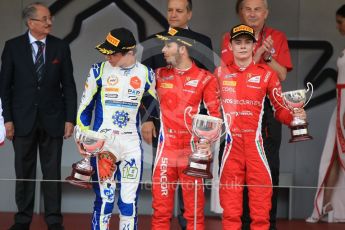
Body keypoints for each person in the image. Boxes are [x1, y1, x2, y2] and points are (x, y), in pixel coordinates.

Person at [216, 24, 306, 230]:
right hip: (231, 149)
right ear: (230, 45)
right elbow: (210, 111)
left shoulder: (267, 74)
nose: (242, 47)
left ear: (254, 45)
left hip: (257, 149)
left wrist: (295, 116)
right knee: (230, 214)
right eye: (237, 42)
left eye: (247, 42)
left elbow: (280, 110)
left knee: (260, 213)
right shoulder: (219, 74)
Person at [0, 2, 77, 230]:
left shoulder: (60, 47)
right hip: (22, 121)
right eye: (44, 19)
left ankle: (54, 220)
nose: (49, 22)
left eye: (50, 18)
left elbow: (69, 86)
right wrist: (8, 120)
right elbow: (4, 87)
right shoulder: (12, 47)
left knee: (52, 173)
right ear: (30, 22)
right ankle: (22, 220)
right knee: (24, 173)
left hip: (54, 121)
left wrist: (69, 119)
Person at [140, 0, 216, 228]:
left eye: (179, 10)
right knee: (163, 184)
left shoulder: (203, 42)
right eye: (170, 10)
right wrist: (148, 120)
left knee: (192, 187)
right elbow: (146, 86)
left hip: (195, 131)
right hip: (163, 127)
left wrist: (206, 131)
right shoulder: (155, 42)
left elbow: (210, 87)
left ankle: (187, 223)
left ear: (189, 14)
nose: (173, 14)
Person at [76, 27, 157, 230]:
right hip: (104, 145)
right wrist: (83, 139)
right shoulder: (98, 70)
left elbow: (152, 107)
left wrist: (150, 121)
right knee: (105, 200)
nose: (107, 56)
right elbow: (85, 107)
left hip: (131, 145)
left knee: (129, 203)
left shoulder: (147, 74)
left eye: (112, 53)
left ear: (129, 52)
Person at [306, 4, 345, 223]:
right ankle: (326, 205)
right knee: (332, 156)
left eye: (340, 21)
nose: (338, 26)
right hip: (340, 105)